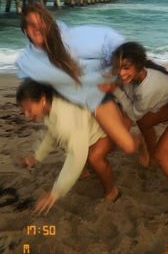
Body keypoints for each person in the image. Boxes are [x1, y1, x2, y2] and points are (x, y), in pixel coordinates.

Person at [16, 2, 140, 155]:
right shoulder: (28, 61)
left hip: (96, 95)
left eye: (40, 22)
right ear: (25, 29)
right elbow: (30, 88)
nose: (36, 28)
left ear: (48, 23)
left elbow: (111, 42)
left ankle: (136, 136)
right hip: (70, 102)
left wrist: (113, 73)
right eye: (30, 24)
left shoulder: (70, 38)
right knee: (67, 135)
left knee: (128, 146)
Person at [104, 42, 168, 213]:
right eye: (118, 67)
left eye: (126, 67)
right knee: (145, 122)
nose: (121, 73)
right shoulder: (147, 66)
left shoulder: (147, 90)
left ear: (138, 64)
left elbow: (131, 115)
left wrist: (118, 138)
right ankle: (150, 157)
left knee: (163, 156)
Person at [16, 78, 119, 214]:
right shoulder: (51, 106)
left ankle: (112, 191)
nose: (27, 115)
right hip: (85, 131)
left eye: (29, 109)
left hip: (107, 128)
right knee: (66, 142)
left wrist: (55, 192)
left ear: (42, 99)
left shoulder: (65, 118)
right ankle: (84, 171)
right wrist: (36, 157)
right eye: (24, 111)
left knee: (94, 158)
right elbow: (52, 134)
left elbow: (76, 156)